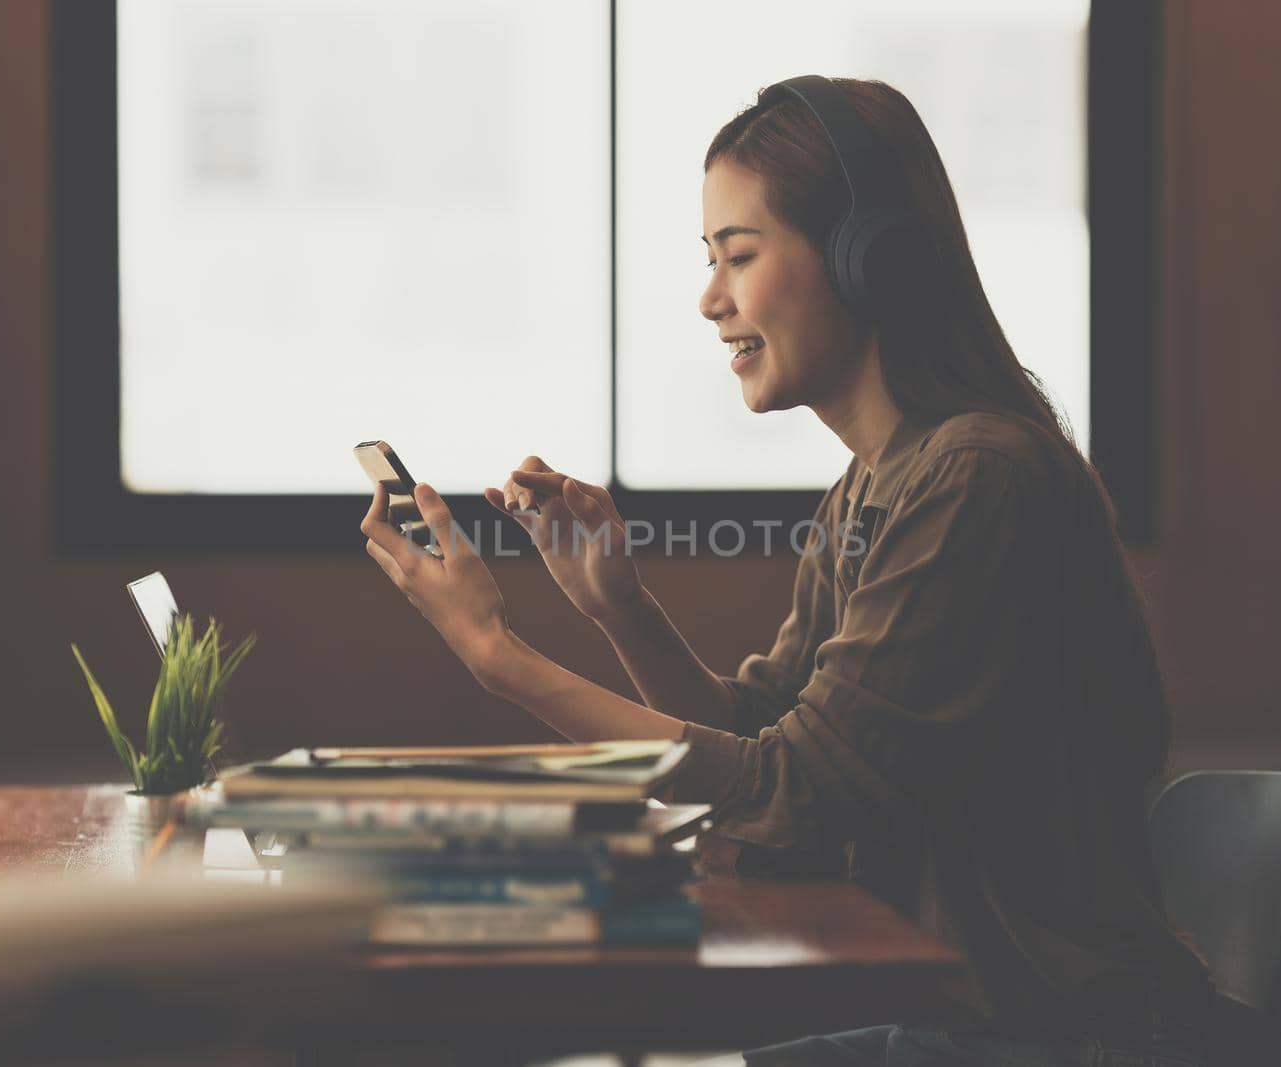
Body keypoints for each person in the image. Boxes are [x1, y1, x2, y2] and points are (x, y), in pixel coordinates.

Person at [360, 77, 1213, 1066]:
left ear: (865, 259)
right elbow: (766, 738)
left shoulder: (977, 477)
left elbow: (795, 792)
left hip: (1054, 1039)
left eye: (739, 255)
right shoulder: (873, 486)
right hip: (950, 1025)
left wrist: (494, 654)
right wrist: (619, 609)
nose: (710, 298)